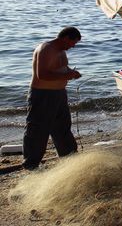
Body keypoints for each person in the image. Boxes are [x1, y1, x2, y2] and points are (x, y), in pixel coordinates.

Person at [23, 26, 82, 170]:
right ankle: (31, 165)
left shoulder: (62, 51)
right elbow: (41, 75)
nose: (73, 46)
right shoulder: (46, 49)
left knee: (63, 129)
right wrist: (66, 76)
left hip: (59, 94)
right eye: (72, 43)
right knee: (38, 131)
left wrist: (72, 73)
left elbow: (62, 68)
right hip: (42, 95)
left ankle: (69, 159)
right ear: (66, 38)